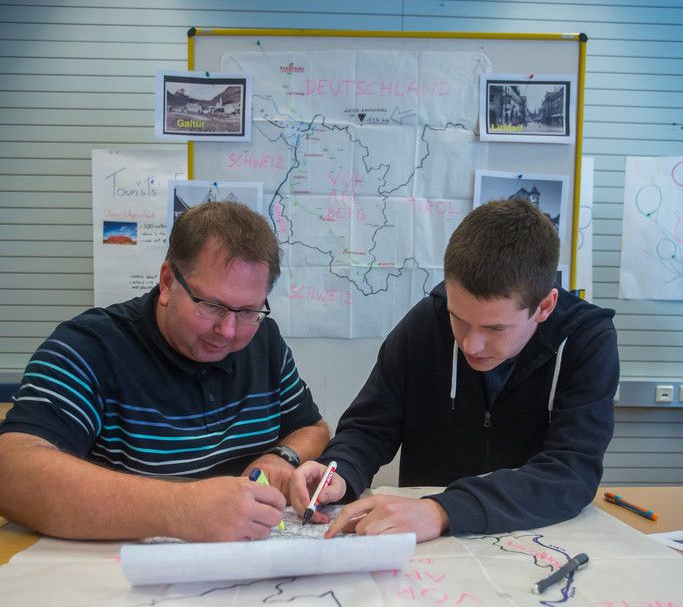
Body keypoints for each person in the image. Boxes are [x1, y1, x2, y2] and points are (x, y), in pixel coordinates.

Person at [290, 198, 619, 542]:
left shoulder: (586, 341)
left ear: (545, 306)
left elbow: (571, 471)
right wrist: (340, 470)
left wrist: (443, 510)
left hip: (534, 539)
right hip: (434, 551)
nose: (471, 345)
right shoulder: (426, 323)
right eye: (458, 319)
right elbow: (369, 428)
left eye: (494, 329)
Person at [0, 201, 329, 542]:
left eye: (247, 310)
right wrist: (182, 508)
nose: (228, 331)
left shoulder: (263, 341)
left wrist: (281, 457)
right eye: (212, 306)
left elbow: (313, 428)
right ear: (169, 282)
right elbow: (11, 472)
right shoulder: (89, 347)